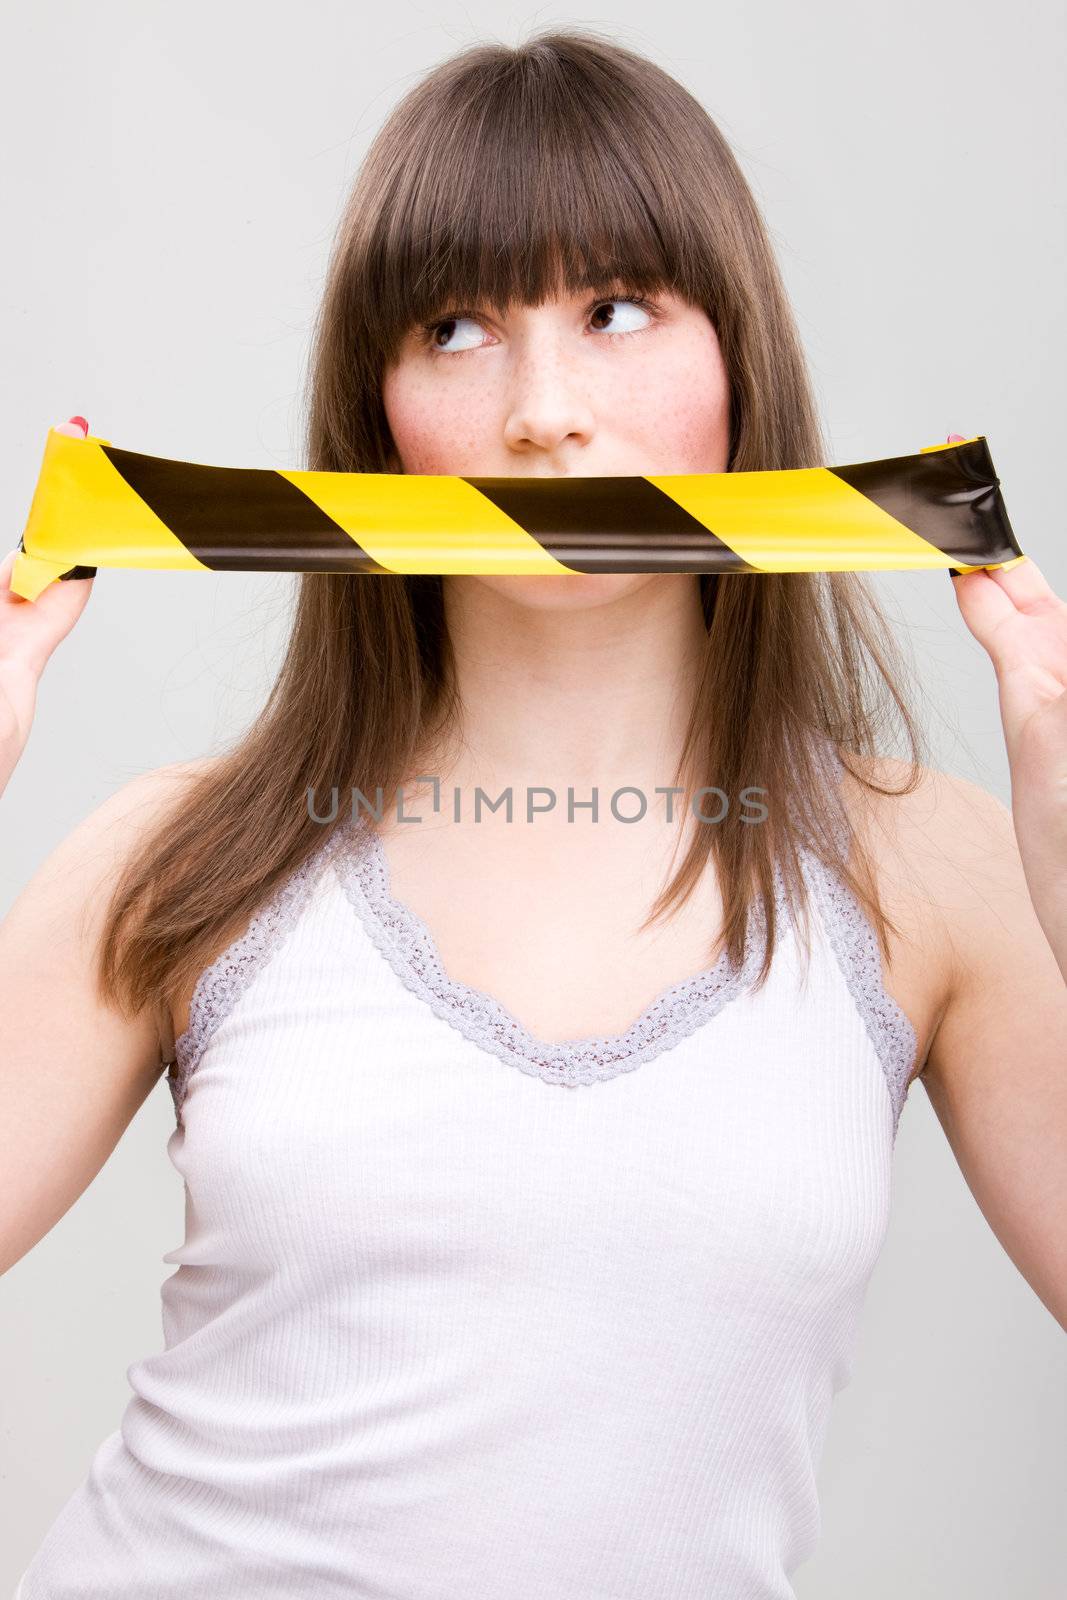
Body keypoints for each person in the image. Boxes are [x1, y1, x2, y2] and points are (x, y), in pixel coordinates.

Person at [2, 26, 1065, 1600]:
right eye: (454, 328)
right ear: (377, 409)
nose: (545, 413)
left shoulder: (936, 870)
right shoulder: (187, 857)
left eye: (618, 308)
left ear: (737, 365)